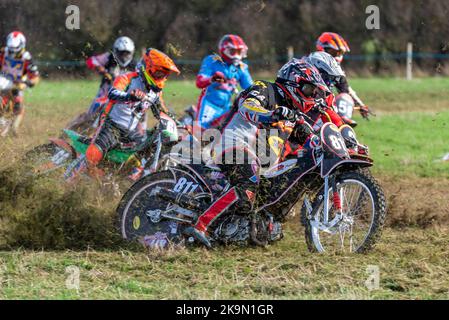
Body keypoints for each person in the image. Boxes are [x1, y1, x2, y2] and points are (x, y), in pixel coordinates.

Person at [186, 58, 345, 247]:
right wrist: (271, 114)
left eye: (315, 92)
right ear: (293, 82)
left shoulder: (294, 113)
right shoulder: (266, 88)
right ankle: (201, 225)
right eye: (309, 90)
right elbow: (247, 106)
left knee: (270, 189)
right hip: (233, 145)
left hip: (260, 162)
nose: (311, 95)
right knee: (248, 183)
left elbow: (310, 138)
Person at [84, 48, 180, 180]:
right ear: (148, 68)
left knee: (145, 150)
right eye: (159, 73)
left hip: (131, 132)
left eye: (165, 75)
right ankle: (79, 174)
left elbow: (162, 111)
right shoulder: (128, 78)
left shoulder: (156, 93)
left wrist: (179, 124)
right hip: (112, 125)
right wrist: (130, 96)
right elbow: (112, 93)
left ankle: (126, 180)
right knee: (96, 151)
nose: (161, 78)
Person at [67, 36, 136, 131]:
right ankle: (69, 130)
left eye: (126, 53)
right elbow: (91, 61)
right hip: (104, 94)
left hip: (124, 97)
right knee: (90, 116)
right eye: (121, 53)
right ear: (116, 51)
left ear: (132, 52)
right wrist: (100, 68)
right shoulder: (109, 57)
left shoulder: (135, 66)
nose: (124, 56)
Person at [194, 34, 253, 131]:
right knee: (199, 134)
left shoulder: (241, 67)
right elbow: (199, 82)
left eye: (239, 51)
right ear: (224, 49)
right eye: (233, 51)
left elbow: (250, 88)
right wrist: (212, 79)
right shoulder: (212, 60)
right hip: (209, 104)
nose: (237, 55)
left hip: (226, 108)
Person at [316, 32, 371, 122]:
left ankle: (342, 123)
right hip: (306, 105)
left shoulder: (337, 72)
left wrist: (361, 105)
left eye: (340, 53)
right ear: (322, 49)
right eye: (334, 52)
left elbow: (346, 90)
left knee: (344, 97)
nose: (337, 56)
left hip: (324, 107)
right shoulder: (312, 64)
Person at [0, 31, 39, 136]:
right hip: (3, 79)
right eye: (11, 51)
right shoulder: (3, 52)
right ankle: (3, 120)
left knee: (18, 104)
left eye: (15, 51)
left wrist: (29, 82)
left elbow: (35, 76)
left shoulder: (27, 57)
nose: (13, 54)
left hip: (19, 82)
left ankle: (15, 127)